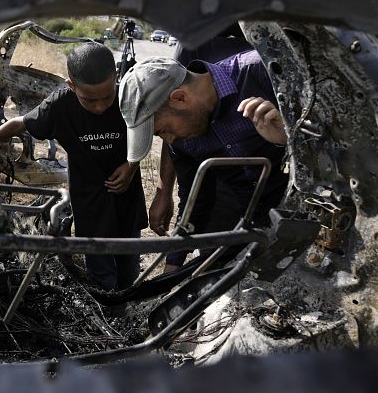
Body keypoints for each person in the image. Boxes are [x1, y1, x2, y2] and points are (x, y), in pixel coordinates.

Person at [0, 42, 147, 291]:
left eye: (107, 97)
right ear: (71, 86)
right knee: (102, 275)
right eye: (90, 100)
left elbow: (150, 130)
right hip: (89, 201)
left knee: (129, 269)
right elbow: (18, 125)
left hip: (127, 198)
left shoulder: (127, 97)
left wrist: (131, 165)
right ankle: (110, 319)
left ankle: (127, 311)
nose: (100, 106)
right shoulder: (60, 105)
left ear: (116, 79)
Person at [118, 52, 288, 272]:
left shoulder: (266, 70)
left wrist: (288, 137)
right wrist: (173, 263)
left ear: (180, 98)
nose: (169, 141)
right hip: (256, 222)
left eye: (165, 130)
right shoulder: (182, 140)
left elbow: (341, 147)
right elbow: (194, 197)